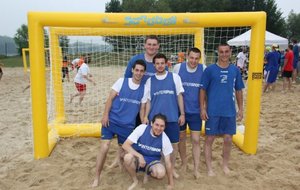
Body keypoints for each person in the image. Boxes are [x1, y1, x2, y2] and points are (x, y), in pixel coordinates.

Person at [92, 60, 146, 187]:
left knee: (124, 153)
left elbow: (142, 109)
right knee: (104, 147)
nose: (138, 73)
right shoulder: (122, 81)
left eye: (141, 71)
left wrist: (144, 122)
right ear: (132, 70)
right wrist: (105, 115)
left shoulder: (144, 89)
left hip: (127, 126)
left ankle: (121, 166)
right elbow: (109, 99)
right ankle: (97, 176)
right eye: (136, 70)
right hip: (112, 121)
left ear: (144, 73)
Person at [200, 43, 244, 176]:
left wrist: (241, 108)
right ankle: (209, 168)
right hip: (213, 111)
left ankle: (225, 165)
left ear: (230, 52)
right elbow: (202, 90)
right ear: (217, 53)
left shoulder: (235, 70)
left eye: (226, 51)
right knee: (209, 139)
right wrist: (202, 108)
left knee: (228, 139)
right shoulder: (209, 70)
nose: (224, 54)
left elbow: (238, 90)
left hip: (229, 111)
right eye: (221, 52)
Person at [142, 53, 185, 178]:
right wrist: (145, 116)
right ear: (154, 65)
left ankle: (171, 168)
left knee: (174, 145)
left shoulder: (175, 77)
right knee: (157, 146)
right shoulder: (150, 81)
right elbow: (148, 101)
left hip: (171, 118)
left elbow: (179, 96)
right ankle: (160, 166)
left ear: (166, 63)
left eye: (162, 63)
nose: (160, 66)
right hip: (156, 121)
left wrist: (182, 114)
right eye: (157, 63)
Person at [173, 47, 205, 178]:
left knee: (196, 140)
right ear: (187, 56)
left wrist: (204, 107)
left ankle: (196, 168)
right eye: (191, 57)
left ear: (200, 58)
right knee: (181, 139)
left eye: (197, 58)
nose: (194, 61)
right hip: (180, 111)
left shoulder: (203, 69)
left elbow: (205, 91)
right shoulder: (177, 68)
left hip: (196, 112)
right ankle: (184, 163)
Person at [122, 113, 174, 190]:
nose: (159, 128)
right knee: (127, 158)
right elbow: (125, 145)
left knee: (160, 173)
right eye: (157, 125)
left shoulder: (165, 139)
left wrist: (171, 183)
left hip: (153, 162)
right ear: (151, 123)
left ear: (165, 127)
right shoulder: (142, 129)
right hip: (138, 158)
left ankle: (147, 172)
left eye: (162, 126)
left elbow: (168, 162)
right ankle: (135, 180)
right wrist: (139, 156)